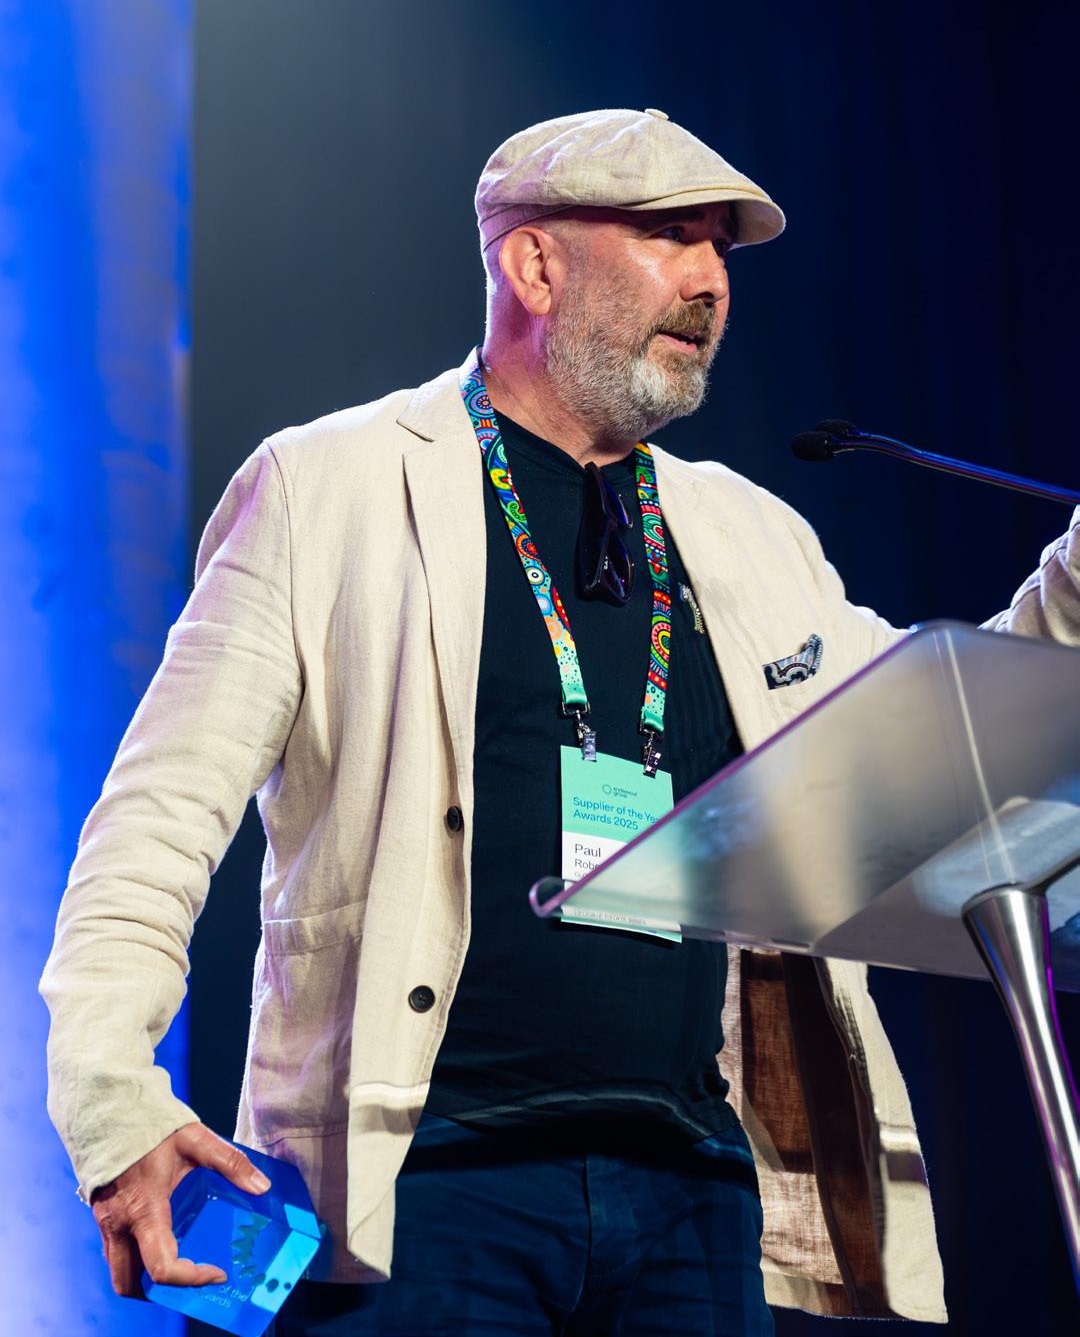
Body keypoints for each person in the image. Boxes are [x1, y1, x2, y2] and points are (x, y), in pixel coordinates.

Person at [41, 108, 1080, 1336]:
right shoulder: (327, 486)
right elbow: (155, 824)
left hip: (696, 1190)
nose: (710, 280)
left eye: (721, 250)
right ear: (535, 265)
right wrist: (113, 1106)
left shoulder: (748, 532)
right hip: (428, 1191)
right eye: (671, 237)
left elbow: (942, 732)